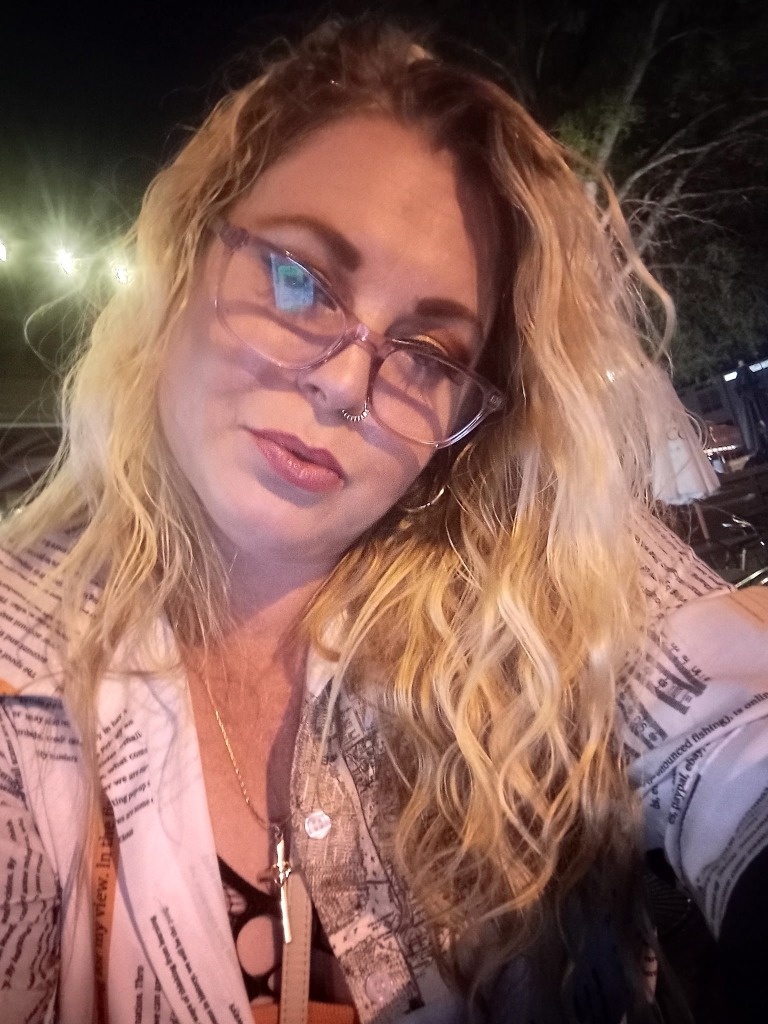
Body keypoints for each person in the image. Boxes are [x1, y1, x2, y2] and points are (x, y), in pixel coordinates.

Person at [1, 17, 766, 1024]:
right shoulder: (22, 669)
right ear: (182, 262)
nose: (346, 385)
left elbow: (732, 735)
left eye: (430, 354)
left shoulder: (537, 571)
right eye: (299, 280)